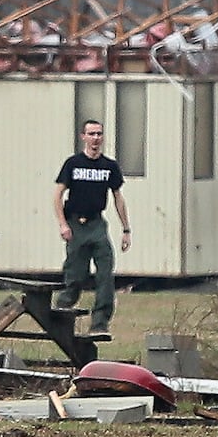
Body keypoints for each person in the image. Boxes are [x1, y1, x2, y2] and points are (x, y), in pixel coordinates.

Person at [53, 119, 131, 337]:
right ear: (83, 137)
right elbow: (57, 195)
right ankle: (61, 309)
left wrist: (126, 230)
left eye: (99, 134)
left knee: (105, 272)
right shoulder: (73, 164)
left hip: (97, 224)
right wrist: (62, 224)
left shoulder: (109, 167)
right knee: (76, 275)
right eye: (91, 134)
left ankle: (99, 323)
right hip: (75, 224)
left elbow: (118, 198)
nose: (96, 138)